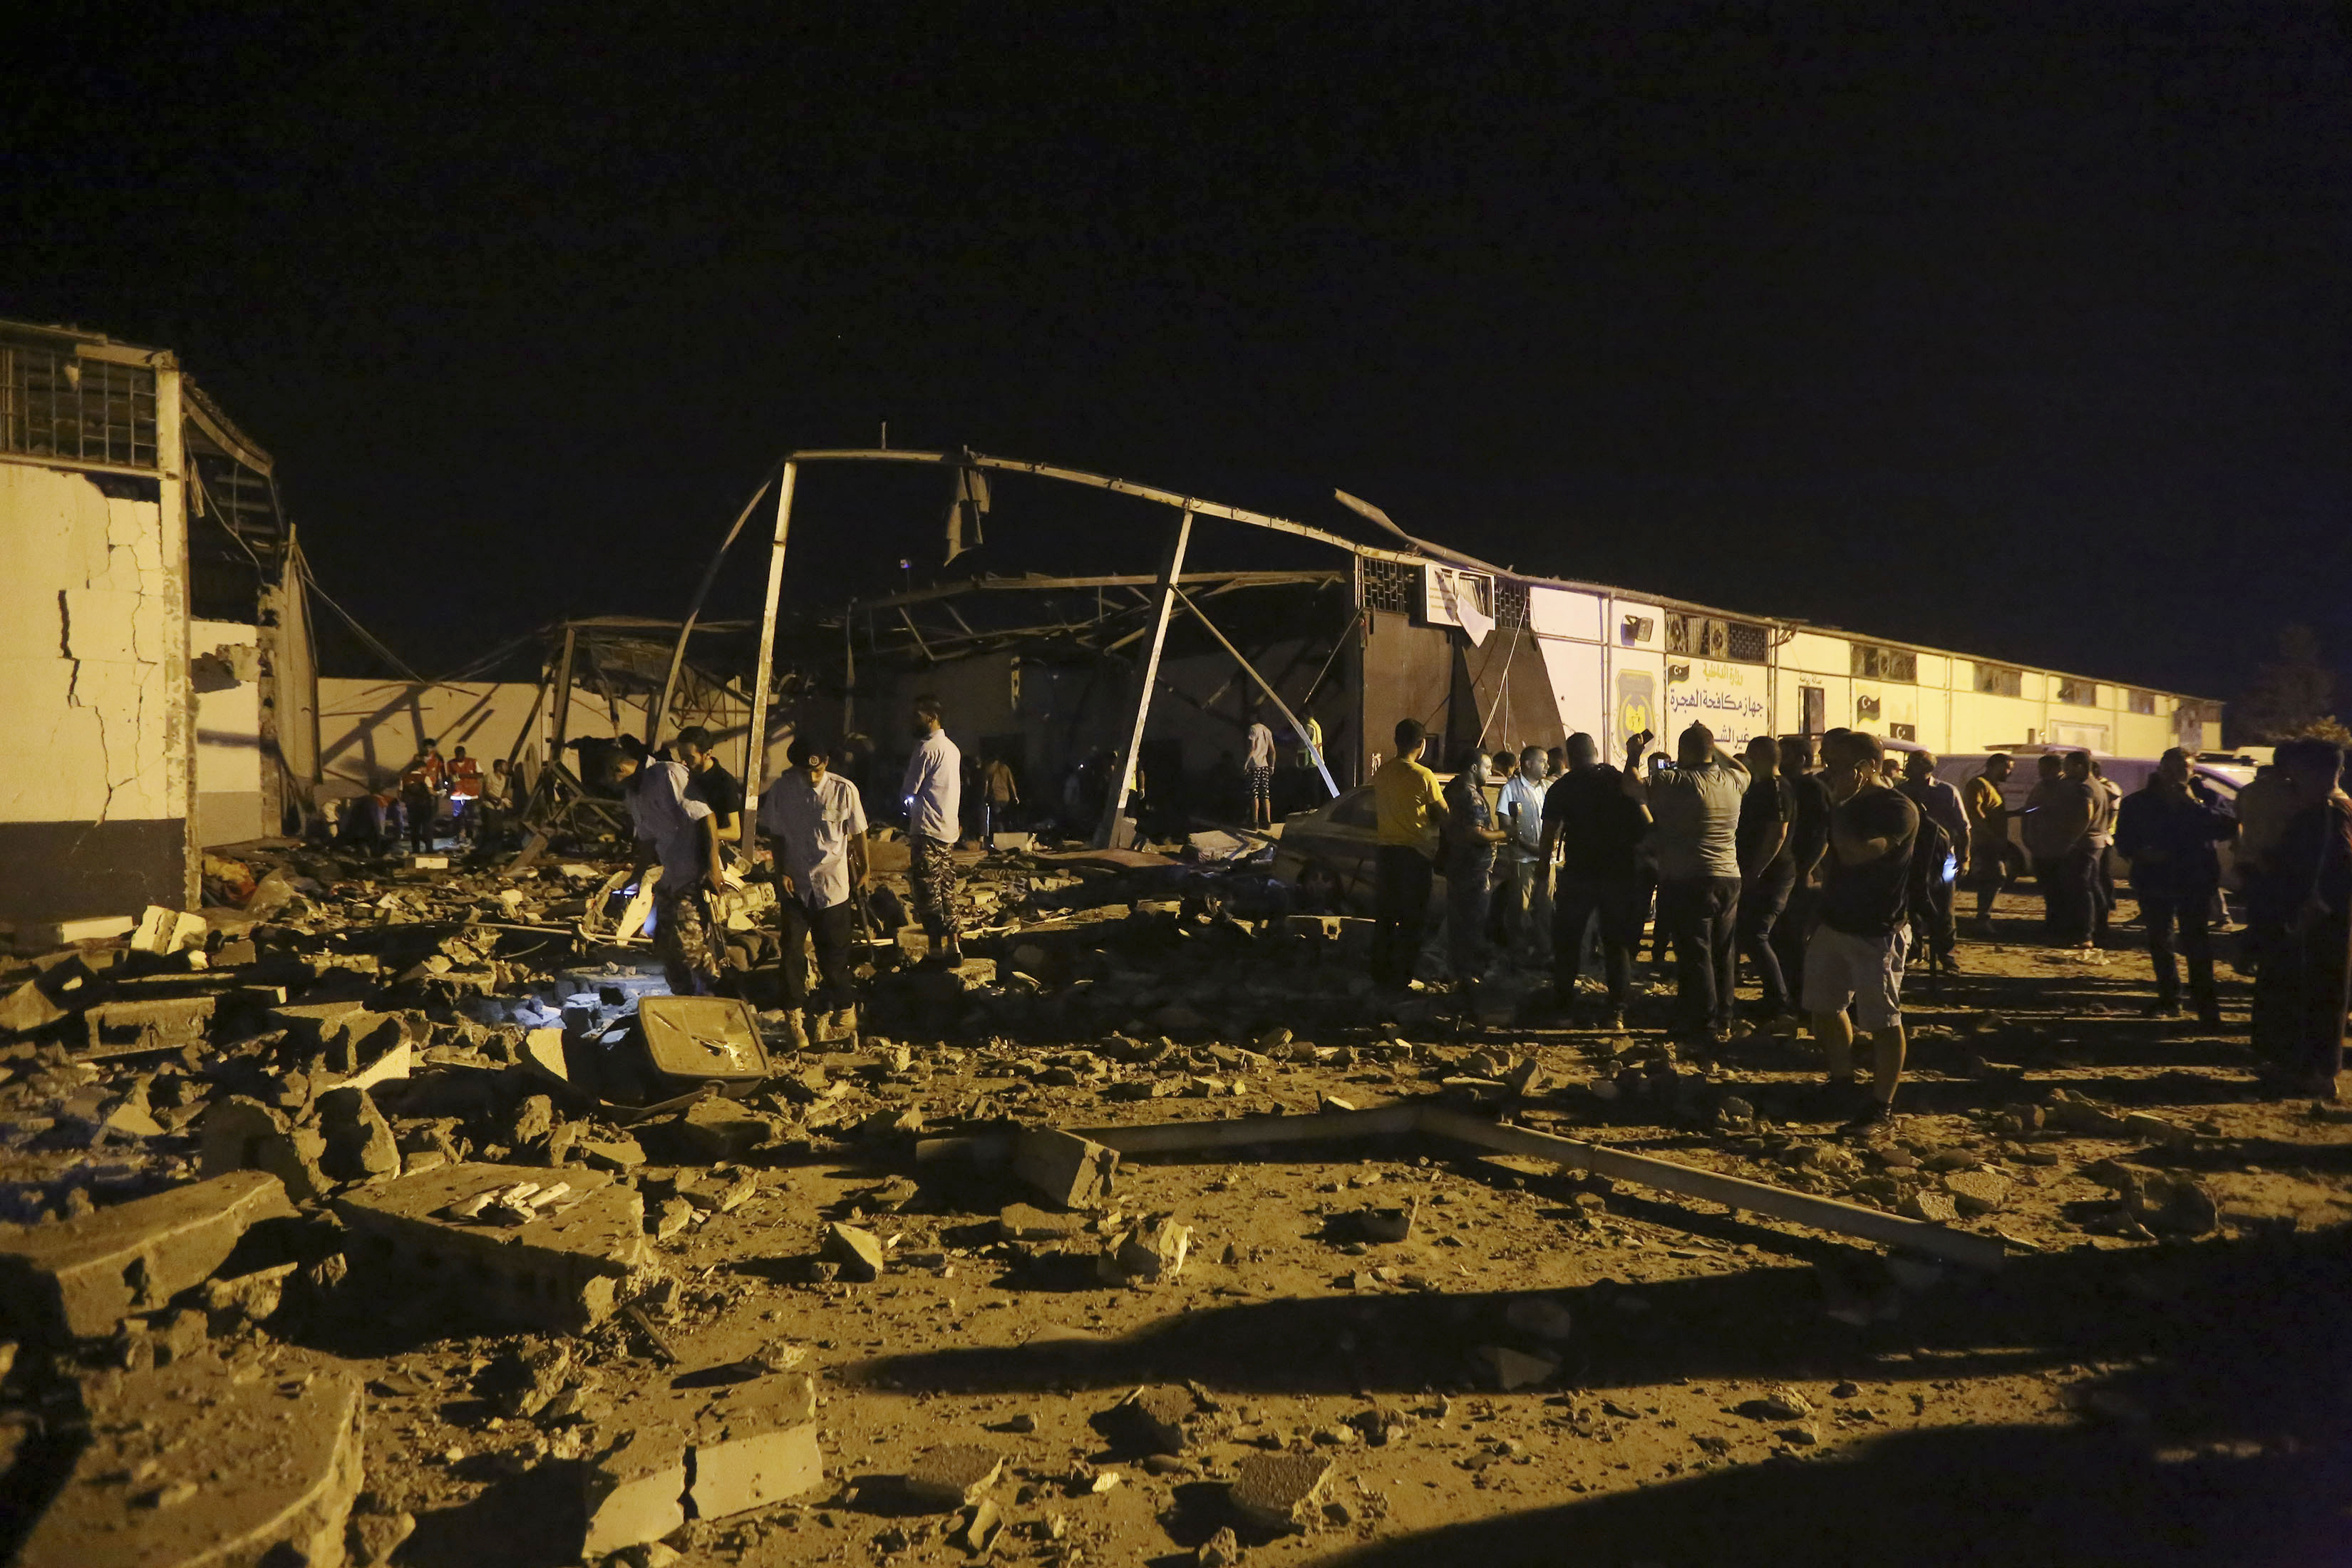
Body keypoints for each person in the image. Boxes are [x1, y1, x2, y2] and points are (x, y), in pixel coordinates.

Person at [1805, 730, 1922, 1131]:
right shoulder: (1844, 802)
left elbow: (1857, 854)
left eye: (1835, 763)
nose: (1827, 770)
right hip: (1835, 922)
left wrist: (1838, 807)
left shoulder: (1898, 808)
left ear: (1866, 767)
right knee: (1824, 1007)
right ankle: (1842, 1082)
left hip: (1877, 931)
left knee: (1883, 1021)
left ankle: (1881, 1108)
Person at [1622, 722, 1748, 1042]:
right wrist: (1714, 746)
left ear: (1684, 752)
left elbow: (1631, 787)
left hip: (1689, 878)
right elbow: (1739, 766)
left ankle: (1704, 1024)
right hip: (1730, 877)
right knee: (1724, 951)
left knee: (1696, 952)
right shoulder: (1734, 780)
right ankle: (1725, 1018)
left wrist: (1634, 755)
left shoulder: (1673, 780)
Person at [2247, 739, 2352, 1098]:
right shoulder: (2331, 809)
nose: (2290, 780)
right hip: (2317, 922)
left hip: (2317, 925)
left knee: (2318, 996)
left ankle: (2318, 1073)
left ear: (2320, 773)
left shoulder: (2327, 812)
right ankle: (2299, 1067)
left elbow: (2332, 869)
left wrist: (2309, 912)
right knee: (2306, 995)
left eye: (2297, 773)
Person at [758, 733, 870, 1048]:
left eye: (816, 770)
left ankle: (844, 1010)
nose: (811, 777)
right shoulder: (782, 790)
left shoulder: (843, 790)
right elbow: (777, 835)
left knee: (833, 953)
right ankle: (794, 1017)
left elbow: (858, 832)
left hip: (832, 884)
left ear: (825, 764)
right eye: (804, 772)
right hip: (796, 882)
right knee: (791, 950)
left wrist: (865, 869)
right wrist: (780, 872)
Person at [2115, 748, 2236, 1023]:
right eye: (2169, 769)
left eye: (2182, 769)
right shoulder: (2139, 802)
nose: (2174, 775)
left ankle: (2206, 1006)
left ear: (2192, 771)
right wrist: (2141, 853)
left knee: (2197, 942)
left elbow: (2228, 827)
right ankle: (2170, 999)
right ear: (2159, 770)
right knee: (2160, 941)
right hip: (2154, 880)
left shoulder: (2207, 797)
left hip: (2195, 880)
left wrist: (2194, 805)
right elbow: (2124, 840)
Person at [1541, 732, 1649, 1027]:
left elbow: (1549, 833)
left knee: (1568, 940)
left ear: (1568, 757)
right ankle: (1617, 1010)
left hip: (1580, 873)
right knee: (1616, 943)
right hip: (1619, 873)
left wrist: (1542, 869)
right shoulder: (1619, 780)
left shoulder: (1562, 787)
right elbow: (1644, 821)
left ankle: (1563, 1003)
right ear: (1597, 752)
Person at [612, 739, 726, 996]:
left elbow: (705, 817)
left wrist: (712, 868)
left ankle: (724, 995)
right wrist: (637, 877)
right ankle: (683, 999)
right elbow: (647, 839)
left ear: (619, 768)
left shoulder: (667, 774)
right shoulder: (634, 795)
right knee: (665, 947)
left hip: (694, 873)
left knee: (690, 948)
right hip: (671, 877)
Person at [1371, 718, 1448, 987]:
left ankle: (1381, 976)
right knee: (1412, 921)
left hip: (1386, 855)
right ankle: (1402, 980)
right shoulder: (1423, 776)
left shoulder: (1382, 773)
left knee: (1386, 917)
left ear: (1395, 741)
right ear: (1421, 744)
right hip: (1414, 856)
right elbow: (1444, 814)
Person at [1734, 734, 1798, 1023]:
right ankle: (1776, 997)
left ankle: (1780, 1001)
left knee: (1756, 934)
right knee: (1756, 935)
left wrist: (1757, 870)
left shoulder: (1775, 788)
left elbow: (1778, 832)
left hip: (1772, 875)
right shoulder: (1762, 786)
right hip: (1762, 873)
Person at [901, 696, 965, 965]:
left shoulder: (926, 748)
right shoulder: (953, 748)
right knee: (947, 888)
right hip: (948, 830)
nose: (912, 721)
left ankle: (935, 951)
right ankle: (955, 947)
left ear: (930, 716)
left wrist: (907, 807)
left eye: (916, 715)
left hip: (927, 829)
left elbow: (910, 791)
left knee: (927, 890)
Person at [1896, 751, 1969, 982]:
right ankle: (1916, 950)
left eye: (1913, 765)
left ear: (1925, 768)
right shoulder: (1901, 791)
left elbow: (1964, 828)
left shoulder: (1947, 792)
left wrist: (1964, 858)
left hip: (1945, 859)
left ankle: (1946, 955)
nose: (1907, 768)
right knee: (1910, 904)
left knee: (1945, 906)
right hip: (1912, 857)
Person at [1773, 735, 1834, 1010]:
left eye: (1783, 754)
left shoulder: (1813, 789)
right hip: (1783, 872)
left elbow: (1823, 835)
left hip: (1804, 875)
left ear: (1801, 759)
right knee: (1780, 938)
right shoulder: (1779, 786)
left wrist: (1806, 869)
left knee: (1796, 939)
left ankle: (1800, 999)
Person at [1442, 746, 1508, 981]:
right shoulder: (1470, 796)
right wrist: (1504, 834)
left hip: (1458, 865)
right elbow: (1476, 833)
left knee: (1459, 922)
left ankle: (1459, 970)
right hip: (1473, 869)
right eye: (1487, 767)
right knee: (1473, 922)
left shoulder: (1454, 788)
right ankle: (1468, 974)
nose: (1490, 772)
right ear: (1473, 768)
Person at [2021, 753, 2099, 948]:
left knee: (2068, 891)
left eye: (2047, 769)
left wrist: (2070, 841)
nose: (2042, 773)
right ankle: (2054, 926)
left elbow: (2082, 816)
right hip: (2044, 846)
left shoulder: (2072, 788)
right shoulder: (2043, 787)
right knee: (2052, 890)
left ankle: (2072, 930)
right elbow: (2031, 810)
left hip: (2059, 848)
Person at [1495, 744, 1552, 964]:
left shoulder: (1547, 788)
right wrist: (1531, 847)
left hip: (1546, 859)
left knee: (1545, 908)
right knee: (1520, 909)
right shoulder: (1510, 789)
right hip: (1523, 860)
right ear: (1528, 764)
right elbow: (1507, 827)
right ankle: (1518, 955)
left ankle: (1543, 953)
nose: (1547, 766)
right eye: (1542, 761)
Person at [1964, 753, 2015, 934]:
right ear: (1993, 766)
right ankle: (1982, 919)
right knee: (1995, 877)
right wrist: (1990, 835)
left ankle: (1983, 918)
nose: (2009, 772)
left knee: (1993, 878)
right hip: (1984, 842)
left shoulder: (1993, 787)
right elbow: (1974, 813)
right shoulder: (1978, 785)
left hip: (1993, 841)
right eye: (2006, 767)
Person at [674, 726, 745, 841]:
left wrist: (698, 833)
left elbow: (734, 832)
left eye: (690, 757)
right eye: (681, 756)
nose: (683, 762)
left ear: (707, 754)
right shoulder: (682, 773)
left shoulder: (725, 783)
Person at [2088, 759, 2123, 942]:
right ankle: (2107, 905)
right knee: (2101, 875)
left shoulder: (2107, 787)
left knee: (2100, 876)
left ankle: (2106, 908)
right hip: (2105, 835)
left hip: (2104, 836)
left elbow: (2112, 809)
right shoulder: (2107, 786)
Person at [398, 750, 438, 854]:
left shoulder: (404, 778)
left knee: (414, 829)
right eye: (425, 768)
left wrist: (407, 801)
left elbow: (400, 794)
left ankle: (416, 850)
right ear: (421, 768)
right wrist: (438, 793)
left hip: (412, 808)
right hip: (425, 807)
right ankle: (429, 849)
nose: (425, 770)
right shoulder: (425, 778)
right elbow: (430, 791)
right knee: (427, 828)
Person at [1244, 715, 1277, 829]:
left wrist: (1246, 763)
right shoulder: (1267, 731)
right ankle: (1268, 822)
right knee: (1265, 794)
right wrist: (1272, 767)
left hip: (1255, 765)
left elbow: (1252, 748)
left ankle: (1255, 822)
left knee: (1254, 794)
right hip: (1265, 765)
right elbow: (1272, 751)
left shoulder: (1253, 729)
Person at [980, 751, 1020, 843]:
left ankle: (1000, 842)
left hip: (995, 798)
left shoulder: (989, 768)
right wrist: (1015, 797)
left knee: (998, 821)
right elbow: (1011, 783)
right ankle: (1007, 840)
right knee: (1005, 819)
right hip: (1006, 798)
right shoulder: (1005, 768)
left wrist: (985, 796)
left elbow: (986, 784)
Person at [447, 746, 482, 840]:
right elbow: (449, 776)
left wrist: (465, 775)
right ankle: (457, 836)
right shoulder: (451, 763)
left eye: (461, 754)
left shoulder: (472, 762)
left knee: (469, 816)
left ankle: (469, 836)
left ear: (464, 754)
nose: (459, 757)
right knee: (457, 816)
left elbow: (480, 774)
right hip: (457, 793)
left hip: (471, 793)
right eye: (457, 754)